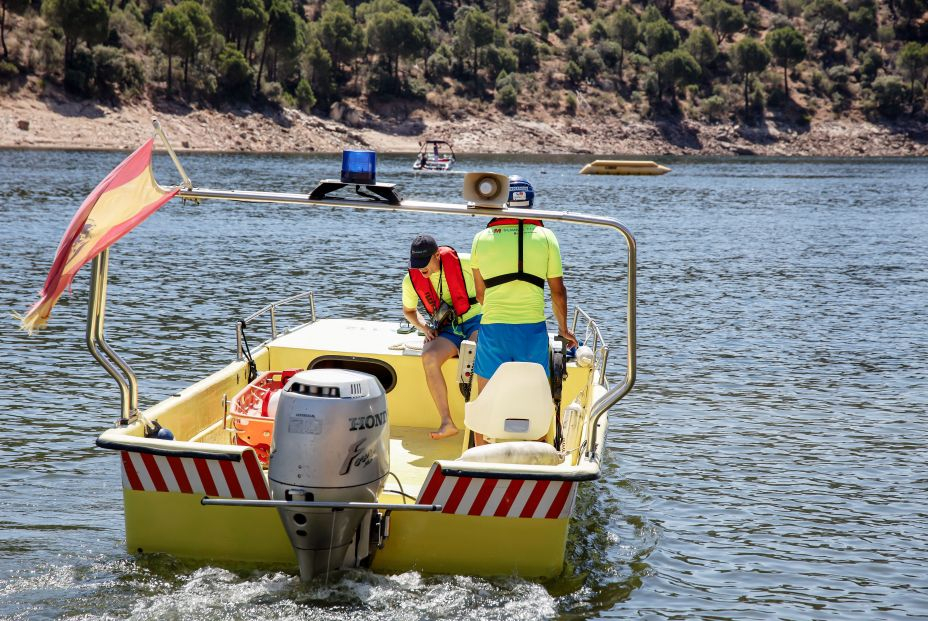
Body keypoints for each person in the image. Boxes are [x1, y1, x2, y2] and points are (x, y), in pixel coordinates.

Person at [470, 175, 578, 442]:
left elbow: (480, 294)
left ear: (503, 201)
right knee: (535, 402)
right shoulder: (547, 237)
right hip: (532, 330)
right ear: (531, 203)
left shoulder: (481, 238)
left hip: (494, 329)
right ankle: (537, 455)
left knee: (484, 401)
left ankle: (477, 455)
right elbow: (558, 291)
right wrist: (563, 329)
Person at [402, 234, 482, 440]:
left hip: (476, 320)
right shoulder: (411, 279)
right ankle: (447, 422)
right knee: (429, 356)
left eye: (424, 262)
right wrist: (424, 327)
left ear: (437, 255)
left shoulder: (466, 262)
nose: (420, 268)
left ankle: (481, 422)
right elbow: (409, 311)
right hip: (448, 328)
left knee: (472, 350)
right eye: (416, 262)